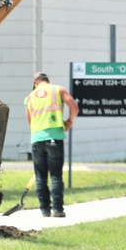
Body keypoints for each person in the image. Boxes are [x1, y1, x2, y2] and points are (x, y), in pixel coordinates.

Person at [25, 72, 79, 218]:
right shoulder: (58, 90)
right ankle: (57, 210)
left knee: (40, 176)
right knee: (55, 175)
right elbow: (75, 108)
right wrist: (69, 122)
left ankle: (44, 210)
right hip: (54, 137)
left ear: (35, 83)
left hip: (37, 139)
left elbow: (30, 122)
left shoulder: (29, 97)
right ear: (47, 81)